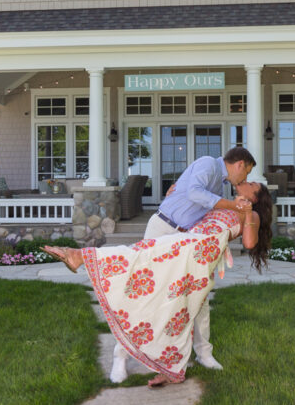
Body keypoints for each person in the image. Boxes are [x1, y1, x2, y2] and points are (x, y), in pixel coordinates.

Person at [43, 180, 272, 387]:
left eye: (253, 184)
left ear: (256, 196)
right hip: (190, 245)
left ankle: (83, 256)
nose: (247, 181)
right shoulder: (222, 204)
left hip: (200, 249)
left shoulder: (251, 214)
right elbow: (189, 212)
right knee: (177, 310)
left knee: (145, 252)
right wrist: (176, 195)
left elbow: (250, 243)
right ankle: (169, 368)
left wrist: (248, 212)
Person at [110, 146, 257, 381]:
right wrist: (232, 205)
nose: (244, 179)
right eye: (246, 173)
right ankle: (120, 357)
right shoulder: (208, 163)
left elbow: (198, 202)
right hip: (162, 229)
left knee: (198, 295)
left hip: (186, 239)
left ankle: (203, 353)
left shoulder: (218, 184)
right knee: (147, 295)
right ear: (240, 164)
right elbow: (195, 194)